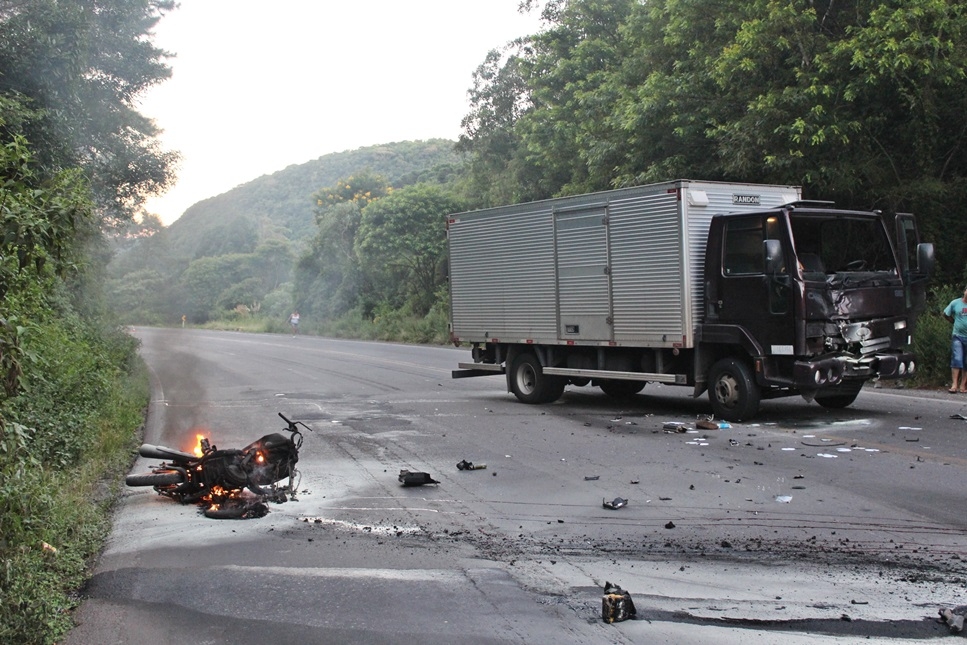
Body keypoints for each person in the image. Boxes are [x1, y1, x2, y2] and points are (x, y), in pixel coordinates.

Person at [942, 287, 967, 393]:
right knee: (957, 358)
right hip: (958, 335)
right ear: (965, 291)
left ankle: (963, 385)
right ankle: (954, 384)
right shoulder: (955, 303)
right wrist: (953, 321)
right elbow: (945, 314)